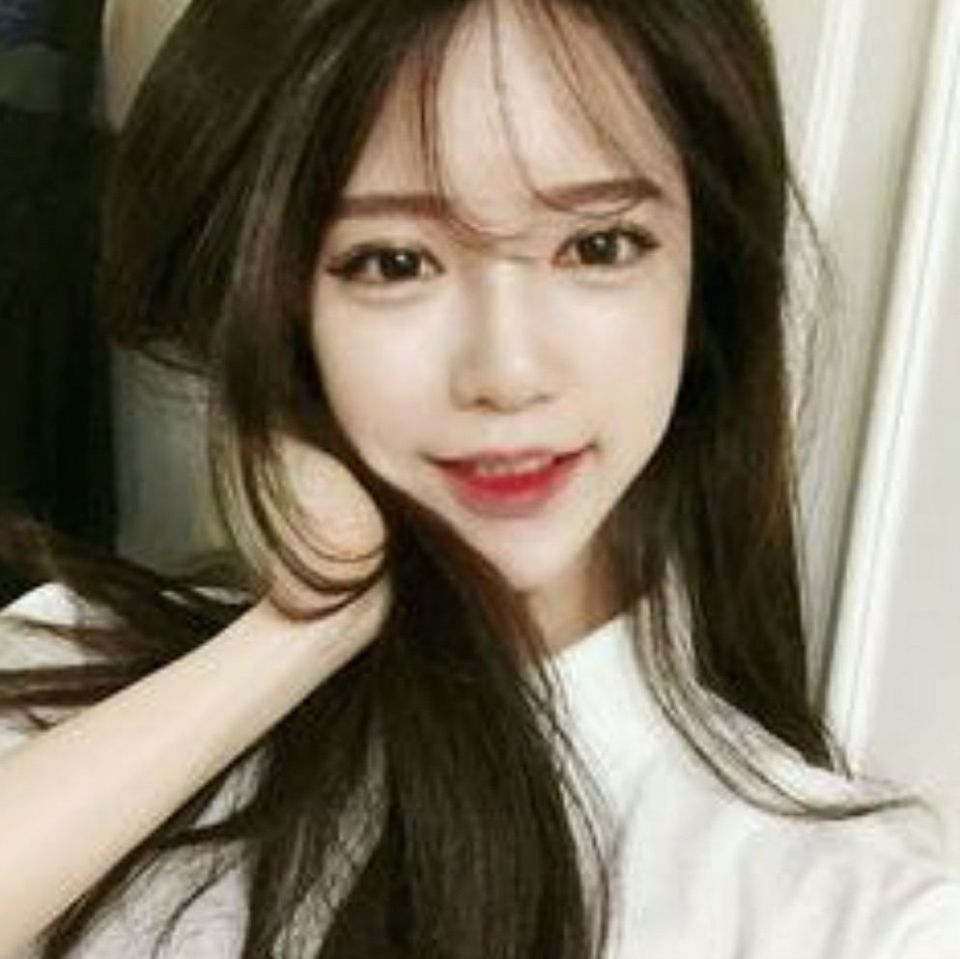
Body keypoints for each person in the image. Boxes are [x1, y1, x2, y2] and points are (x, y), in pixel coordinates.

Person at [0, 0, 958, 956]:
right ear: (280, 302)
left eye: (599, 245)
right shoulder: (71, 675)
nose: (507, 373)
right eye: (393, 262)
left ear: (704, 279)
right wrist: (304, 624)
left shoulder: (851, 909)